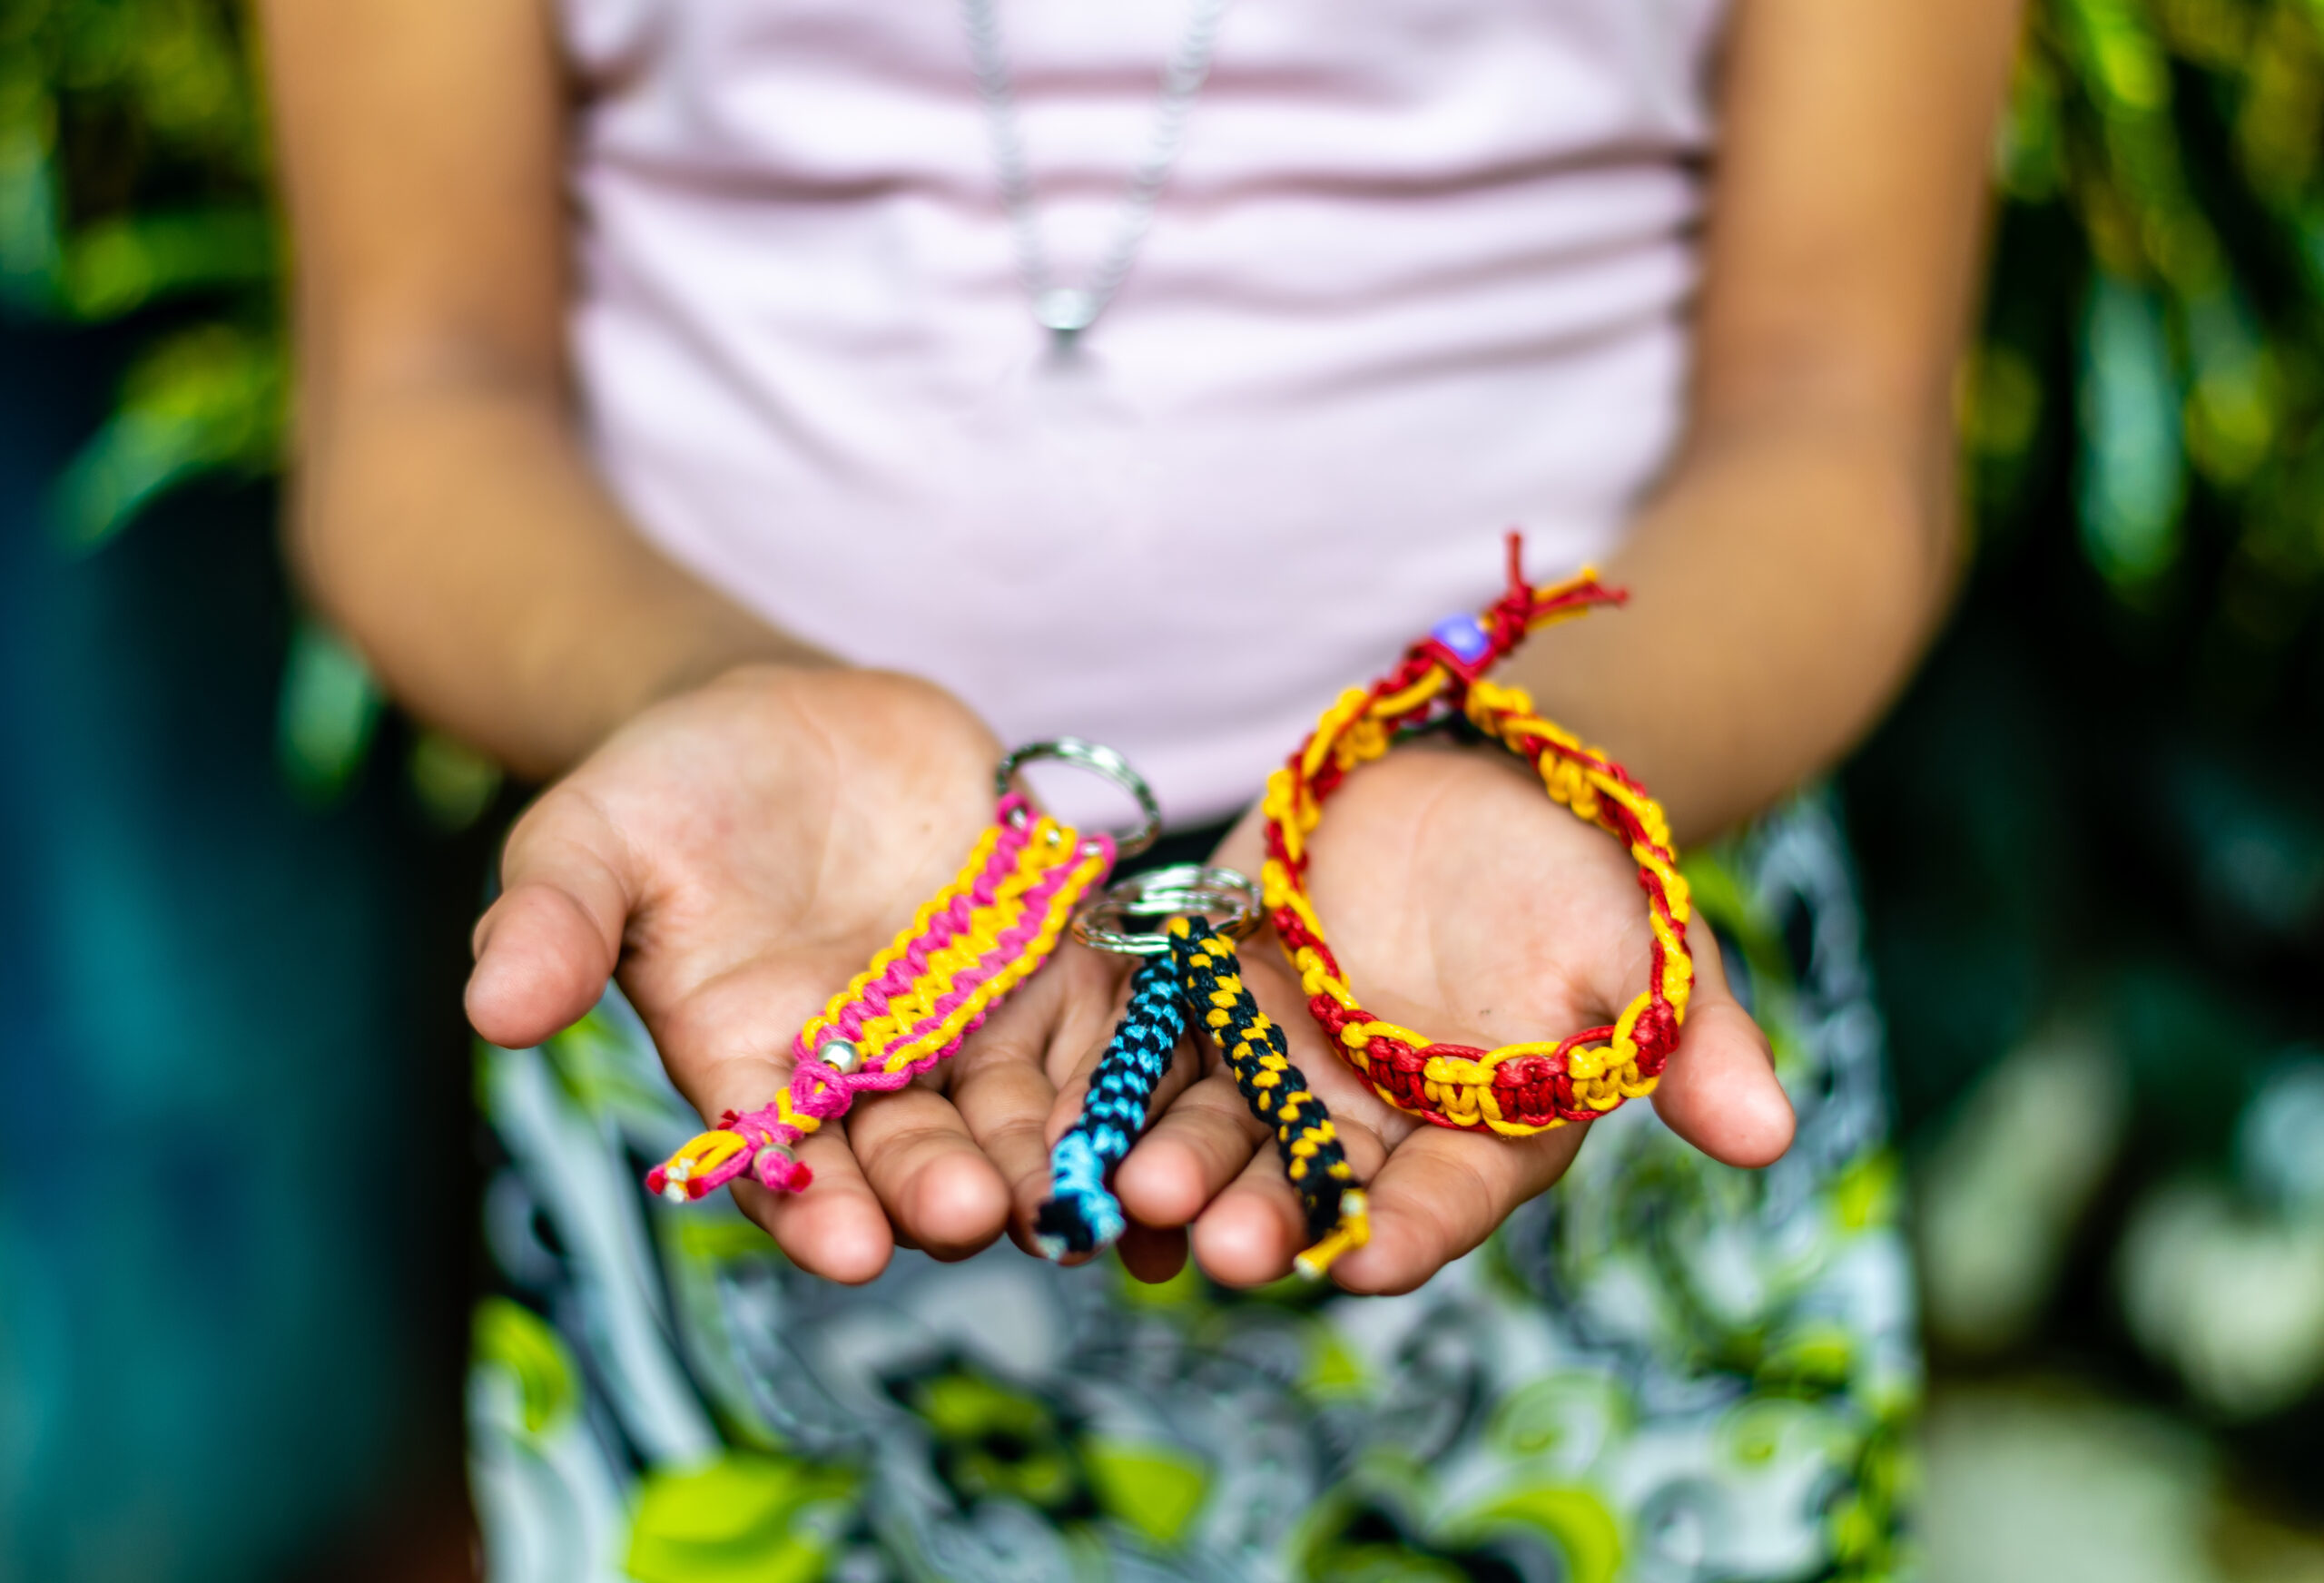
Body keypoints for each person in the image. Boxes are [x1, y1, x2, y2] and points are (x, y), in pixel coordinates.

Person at [260, 0, 2020, 1575]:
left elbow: (1836, 414)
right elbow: (419, 387)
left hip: (1543, 946)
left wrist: (1521, 762)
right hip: (754, 969)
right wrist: (698, 699)